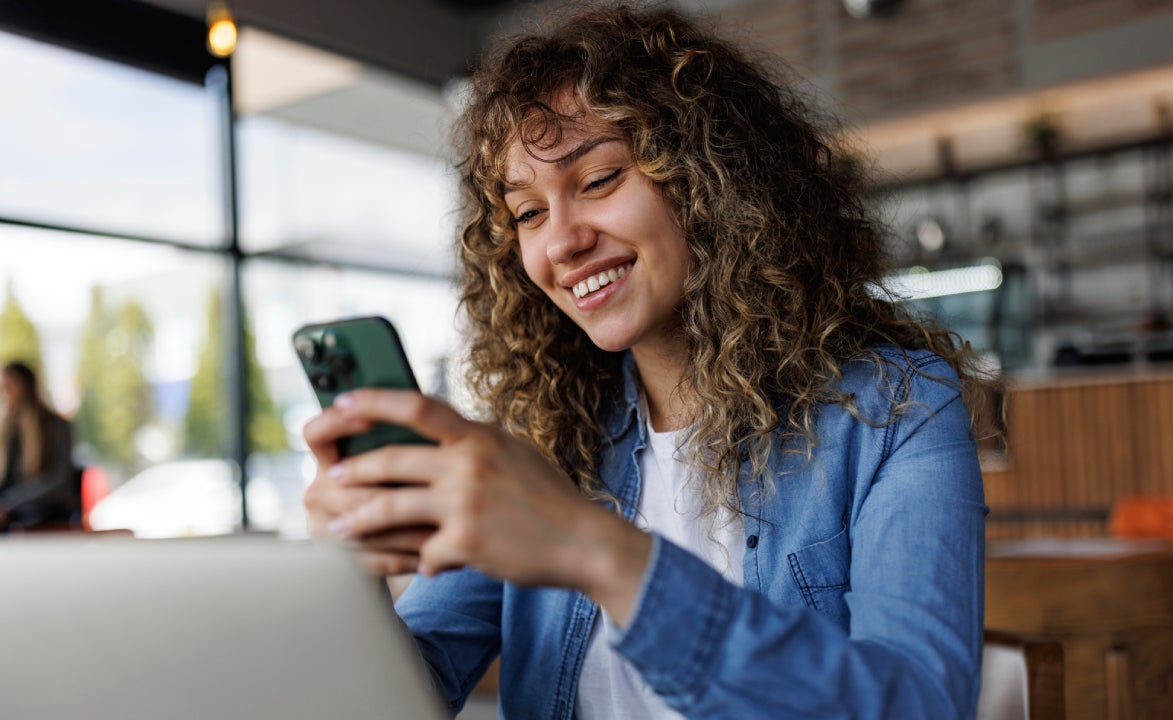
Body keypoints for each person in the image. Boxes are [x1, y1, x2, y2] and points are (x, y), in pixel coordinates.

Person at [303, 4, 994, 718]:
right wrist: (347, 581)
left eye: (599, 179)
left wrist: (598, 552)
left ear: (715, 183)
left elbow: (919, 704)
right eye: (529, 213)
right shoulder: (546, 438)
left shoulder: (899, 410)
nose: (562, 242)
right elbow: (407, 691)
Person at [0, 361, 80, 531]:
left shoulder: (55, 426)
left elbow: (59, 481)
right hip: (13, 516)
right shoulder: (8, 430)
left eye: (8, 386)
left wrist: (10, 503)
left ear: (25, 387)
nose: (4, 394)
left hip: (44, 516)